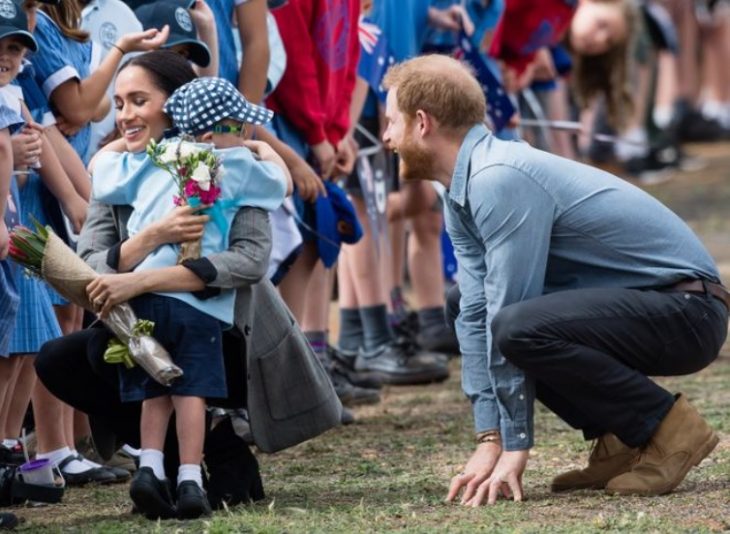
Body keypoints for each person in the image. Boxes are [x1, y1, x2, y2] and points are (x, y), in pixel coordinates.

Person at [381, 54, 729, 506]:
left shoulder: (497, 179)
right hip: (654, 303)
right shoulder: (461, 188)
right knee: (463, 303)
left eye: (390, 122)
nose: (386, 136)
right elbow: (474, 311)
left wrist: (516, 444)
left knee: (516, 326)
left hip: (688, 311)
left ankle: (668, 428)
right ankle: (621, 439)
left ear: (422, 122)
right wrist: (490, 436)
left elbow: (507, 313)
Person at [35, 49, 340, 518]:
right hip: (148, 323)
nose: (125, 116)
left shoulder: (226, 162)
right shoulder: (119, 175)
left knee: (182, 356)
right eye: (118, 104)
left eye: (138, 100)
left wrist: (140, 282)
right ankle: (170, 469)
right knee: (69, 358)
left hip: (232, 334)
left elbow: (251, 260)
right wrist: (153, 236)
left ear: (176, 106)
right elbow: (91, 263)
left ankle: (216, 456)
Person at [90, 75, 288, 518]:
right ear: (209, 134)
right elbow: (282, 184)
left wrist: (125, 146)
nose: (245, 134)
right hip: (197, 301)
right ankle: (190, 479)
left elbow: (98, 172)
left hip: (143, 296)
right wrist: (264, 150)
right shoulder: (234, 163)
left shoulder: (151, 160)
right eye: (238, 126)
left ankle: (149, 467)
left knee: (154, 387)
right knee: (191, 390)